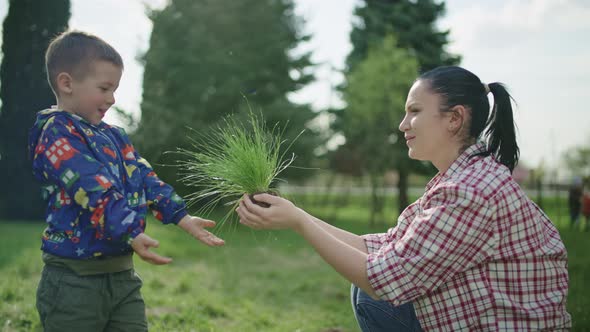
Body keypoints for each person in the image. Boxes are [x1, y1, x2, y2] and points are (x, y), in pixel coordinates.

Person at [236, 66, 571, 331]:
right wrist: (300, 216)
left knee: (374, 297)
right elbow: (386, 248)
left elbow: (381, 281)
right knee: (372, 292)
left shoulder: (468, 191)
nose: (402, 125)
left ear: (454, 118)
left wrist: (298, 223)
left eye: (414, 111)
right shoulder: (462, 177)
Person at [28, 30, 225, 331]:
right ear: (66, 83)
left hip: (122, 277)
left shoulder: (114, 136)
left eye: (115, 89)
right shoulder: (56, 133)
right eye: (104, 88)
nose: (112, 98)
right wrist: (131, 232)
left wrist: (182, 217)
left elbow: (144, 178)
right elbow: (91, 188)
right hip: (73, 282)